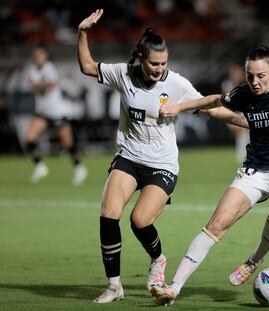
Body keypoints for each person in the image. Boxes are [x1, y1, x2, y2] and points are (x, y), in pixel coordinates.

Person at [77, 9, 248, 304]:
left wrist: (249, 122)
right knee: (108, 215)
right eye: (154, 64)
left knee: (139, 220)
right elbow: (88, 67)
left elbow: (212, 107)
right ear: (141, 59)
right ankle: (114, 286)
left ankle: (158, 260)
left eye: (164, 64)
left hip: (162, 164)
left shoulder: (176, 85)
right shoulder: (123, 73)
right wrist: (82, 32)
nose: (159, 69)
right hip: (129, 156)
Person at [151, 45, 269, 305]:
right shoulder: (243, 93)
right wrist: (179, 107)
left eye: (260, 75)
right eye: (250, 75)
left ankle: (254, 260)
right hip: (256, 168)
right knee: (216, 223)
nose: (255, 81)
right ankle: (174, 287)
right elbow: (214, 100)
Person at [25, 46, 87, 185]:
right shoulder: (33, 70)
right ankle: (40, 166)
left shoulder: (49, 68)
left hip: (56, 112)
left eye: (40, 55)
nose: (38, 57)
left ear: (46, 56)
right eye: (36, 55)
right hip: (42, 112)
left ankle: (79, 167)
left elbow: (52, 84)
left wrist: (35, 84)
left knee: (68, 144)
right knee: (29, 138)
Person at [221, 63, 250, 162]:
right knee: (239, 134)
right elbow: (228, 101)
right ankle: (242, 156)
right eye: (233, 73)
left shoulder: (245, 84)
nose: (235, 75)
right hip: (232, 112)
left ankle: (244, 156)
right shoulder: (226, 85)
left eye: (237, 73)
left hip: (243, 112)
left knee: (244, 134)